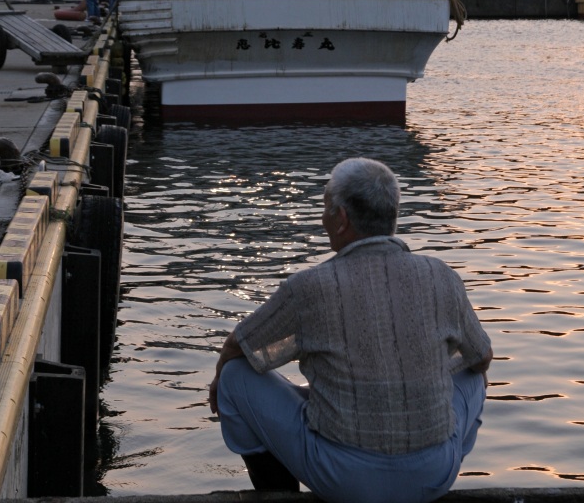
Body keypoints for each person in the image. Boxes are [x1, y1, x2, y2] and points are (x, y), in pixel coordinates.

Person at [209, 157, 493, 503]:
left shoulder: (311, 287)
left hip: (346, 481)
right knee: (473, 376)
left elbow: (242, 345)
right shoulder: (442, 277)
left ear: (342, 219)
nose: (322, 217)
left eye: (326, 208)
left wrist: (217, 383)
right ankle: (418, 465)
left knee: (234, 375)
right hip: (433, 475)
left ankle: (278, 495)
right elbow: (481, 357)